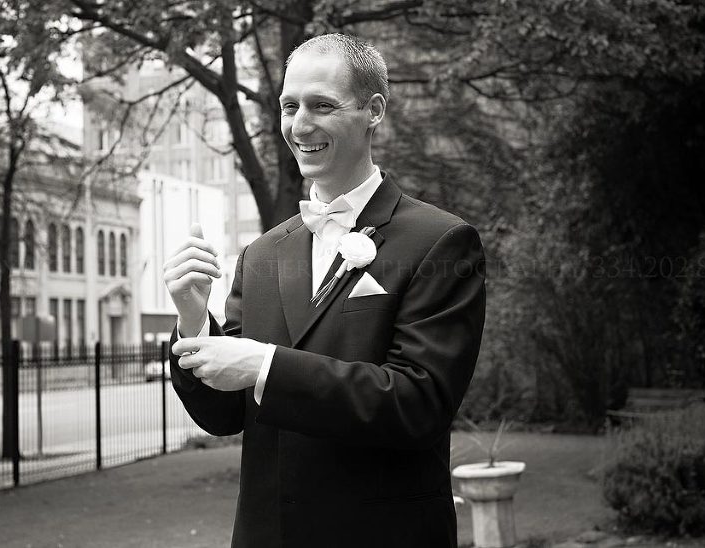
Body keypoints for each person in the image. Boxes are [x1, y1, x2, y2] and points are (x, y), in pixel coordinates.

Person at [165, 33, 486, 548]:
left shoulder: (441, 241)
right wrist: (193, 320)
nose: (299, 125)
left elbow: (418, 404)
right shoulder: (261, 254)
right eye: (289, 106)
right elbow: (224, 416)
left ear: (373, 111)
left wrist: (265, 365)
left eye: (322, 105)